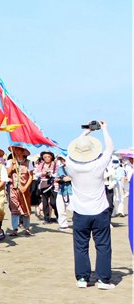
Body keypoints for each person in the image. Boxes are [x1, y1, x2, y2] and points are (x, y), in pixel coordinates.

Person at [65, 121, 115, 289]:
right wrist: (104, 129)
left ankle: (82, 278)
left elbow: (73, 149)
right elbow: (109, 148)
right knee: (103, 246)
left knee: (80, 246)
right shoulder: (98, 164)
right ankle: (103, 280)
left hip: (80, 211)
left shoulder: (71, 165)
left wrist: (86, 132)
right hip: (99, 211)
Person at [7, 146, 33, 236]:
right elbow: (6, 173)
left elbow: (31, 176)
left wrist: (25, 187)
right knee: (14, 208)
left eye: (18, 150)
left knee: (25, 207)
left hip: (24, 188)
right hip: (13, 187)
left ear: (23, 152)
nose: (17, 152)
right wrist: (12, 166)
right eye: (15, 150)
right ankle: (15, 228)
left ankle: (27, 228)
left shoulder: (28, 163)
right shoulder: (11, 161)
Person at [34, 151, 59, 223]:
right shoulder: (41, 165)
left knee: (53, 202)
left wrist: (51, 174)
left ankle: (58, 216)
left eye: (48, 156)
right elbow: (36, 175)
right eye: (45, 157)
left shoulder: (55, 165)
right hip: (44, 184)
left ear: (51, 157)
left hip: (54, 185)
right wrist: (42, 173)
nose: (47, 158)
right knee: (45, 203)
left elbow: (58, 174)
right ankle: (46, 218)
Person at [54, 156, 72, 230]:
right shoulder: (60, 168)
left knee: (73, 208)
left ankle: (82, 223)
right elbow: (56, 178)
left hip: (72, 191)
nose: (62, 161)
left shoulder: (74, 168)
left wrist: (69, 178)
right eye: (61, 159)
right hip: (61, 190)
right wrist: (58, 179)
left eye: (64, 159)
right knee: (60, 208)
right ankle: (63, 224)